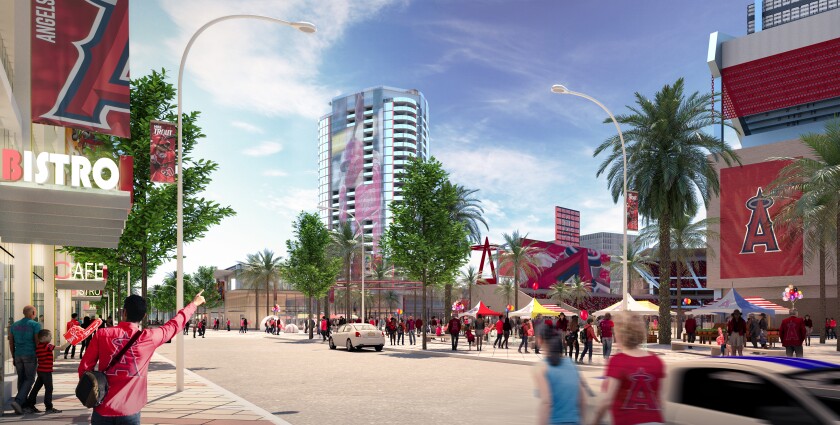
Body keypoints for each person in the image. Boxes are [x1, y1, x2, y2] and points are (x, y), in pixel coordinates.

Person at [80, 291, 205, 424]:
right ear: (144, 316)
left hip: (102, 407)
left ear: (124, 312)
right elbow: (174, 325)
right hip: (130, 409)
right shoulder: (149, 337)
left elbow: (85, 368)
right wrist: (194, 304)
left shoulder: (102, 334)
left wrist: (91, 394)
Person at [593, 314, 665, 425]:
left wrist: (595, 420)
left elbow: (608, 400)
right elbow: (660, 400)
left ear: (620, 334)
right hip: (655, 420)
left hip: (627, 420)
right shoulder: (656, 361)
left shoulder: (618, 361)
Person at [533, 326, 583, 425]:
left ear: (539, 340)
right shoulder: (571, 363)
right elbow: (582, 399)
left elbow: (546, 403)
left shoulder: (541, 368)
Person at [9, 305, 41, 415]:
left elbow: (11, 342)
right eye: (35, 312)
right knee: (30, 379)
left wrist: (13, 356)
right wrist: (40, 355)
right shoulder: (35, 325)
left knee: (21, 379)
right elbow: (37, 341)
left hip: (18, 354)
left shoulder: (14, 325)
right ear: (32, 313)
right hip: (30, 354)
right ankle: (18, 401)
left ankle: (22, 404)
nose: (35, 314)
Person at [25, 329, 61, 414]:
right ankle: (49, 407)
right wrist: (70, 342)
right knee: (49, 388)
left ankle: (30, 404)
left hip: (40, 371)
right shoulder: (47, 346)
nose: (51, 337)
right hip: (46, 371)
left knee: (36, 388)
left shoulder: (38, 346)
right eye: (50, 336)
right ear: (44, 337)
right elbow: (61, 348)